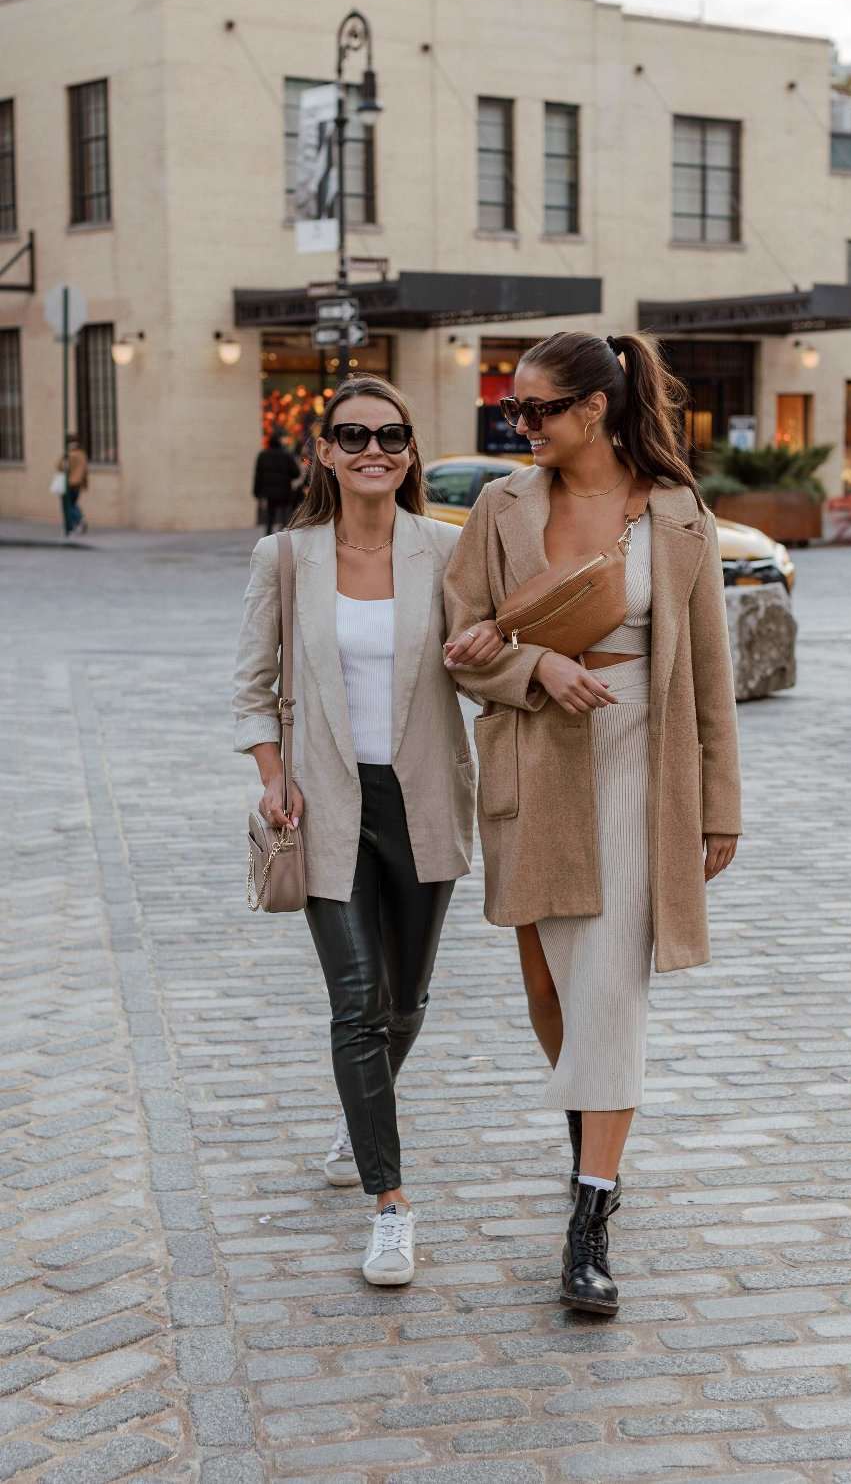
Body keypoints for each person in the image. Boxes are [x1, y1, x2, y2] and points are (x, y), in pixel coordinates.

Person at [443, 331, 742, 1317]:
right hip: (534, 768)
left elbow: (710, 672)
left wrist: (719, 806)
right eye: (510, 410)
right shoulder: (499, 506)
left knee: (610, 991)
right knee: (549, 985)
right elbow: (460, 644)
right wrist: (535, 667)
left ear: (595, 409)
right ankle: (594, 1135)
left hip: (638, 773)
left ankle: (589, 1216)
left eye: (533, 409)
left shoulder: (677, 513)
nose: (516, 425)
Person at [234, 376, 499, 1286]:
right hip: (326, 804)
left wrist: (495, 655)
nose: (372, 449)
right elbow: (253, 685)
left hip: (423, 795)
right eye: (352, 435)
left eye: (390, 434)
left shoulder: (446, 549)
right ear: (325, 453)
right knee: (355, 1000)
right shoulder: (287, 556)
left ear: (411, 450)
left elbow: (477, 669)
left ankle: (359, 1121)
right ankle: (391, 1203)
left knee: (405, 1000)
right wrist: (274, 777)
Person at [253, 432, 301, 535]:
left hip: (269, 492)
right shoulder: (286, 455)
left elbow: (258, 475)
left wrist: (257, 492)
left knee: (270, 516)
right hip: (284, 491)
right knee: (284, 516)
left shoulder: (263, 455)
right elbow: (296, 473)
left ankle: (268, 537)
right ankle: (284, 536)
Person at [57, 435, 88, 537]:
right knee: (73, 503)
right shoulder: (82, 454)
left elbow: (59, 466)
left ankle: (77, 521)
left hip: (69, 483)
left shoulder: (69, 454)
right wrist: (84, 483)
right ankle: (77, 522)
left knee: (68, 505)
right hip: (78, 483)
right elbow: (85, 470)